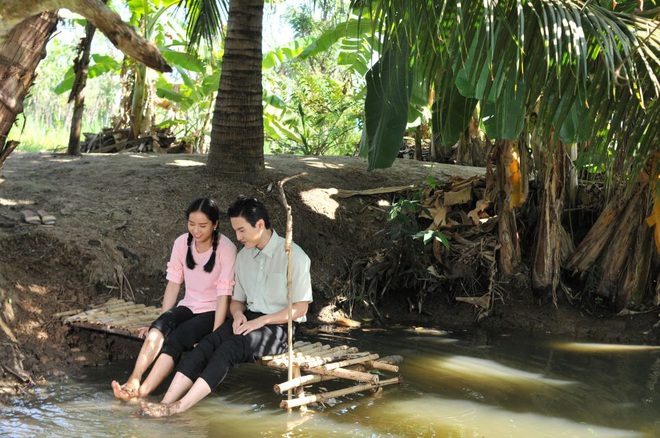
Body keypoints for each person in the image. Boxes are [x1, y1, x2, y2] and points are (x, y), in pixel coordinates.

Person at [140, 196, 313, 417]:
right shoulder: (244, 257)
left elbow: (301, 308)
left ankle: (179, 407)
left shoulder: (294, 256)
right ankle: (166, 402)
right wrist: (238, 313)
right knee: (206, 345)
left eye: (241, 231)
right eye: (235, 231)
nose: (238, 237)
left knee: (228, 350)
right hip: (248, 318)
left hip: (279, 327)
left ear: (259, 224)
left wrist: (262, 321)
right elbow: (237, 300)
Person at [111, 197, 236, 401]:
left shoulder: (226, 248)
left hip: (213, 310)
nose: (196, 230)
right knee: (160, 327)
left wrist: (216, 335)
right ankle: (134, 379)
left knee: (177, 339)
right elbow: (173, 284)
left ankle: (142, 392)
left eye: (203, 225)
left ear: (215, 224)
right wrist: (160, 321)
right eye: (191, 224)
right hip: (188, 305)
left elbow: (224, 294)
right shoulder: (181, 243)